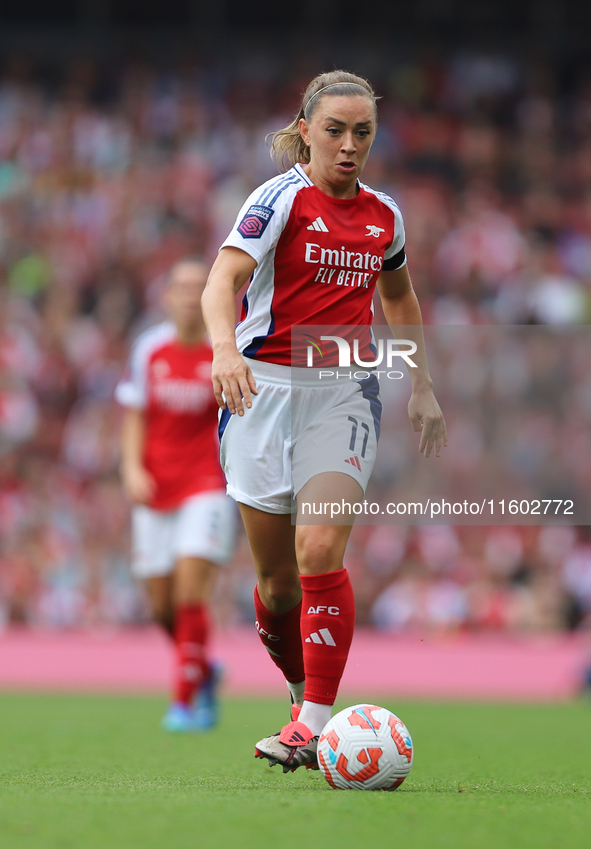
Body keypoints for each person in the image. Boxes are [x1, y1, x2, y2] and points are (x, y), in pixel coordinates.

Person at [201, 70, 446, 771]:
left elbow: (398, 299)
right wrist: (223, 348)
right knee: (277, 585)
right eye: (334, 130)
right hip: (260, 389)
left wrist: (420, 383)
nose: (348, 145)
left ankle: (311, 723)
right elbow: (223, 281)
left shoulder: (384, 216)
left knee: (318, 551)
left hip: (344, 388)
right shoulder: (277, 200)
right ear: (304, 130)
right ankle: (299, 685)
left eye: (361, 132)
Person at [116, 258, 236, 732]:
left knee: (190, 588)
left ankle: (184, 702)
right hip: (155, 487)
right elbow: (133, 414)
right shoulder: (150, 349)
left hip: (206, 484)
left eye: (197, 287)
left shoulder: (222, 348)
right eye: (181, 287)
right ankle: (203, 667)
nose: (190, 295)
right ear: (166, 297)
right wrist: (130, 468)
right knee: (161, 606)